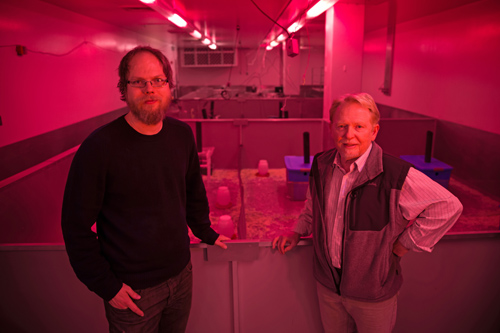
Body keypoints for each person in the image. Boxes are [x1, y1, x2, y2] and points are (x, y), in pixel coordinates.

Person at [62, 45, 229, 333]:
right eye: (139, 82)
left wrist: (205, 231)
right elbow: (74, 225)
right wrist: (108, 286)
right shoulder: (100, 147)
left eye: (157, 80)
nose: (149, 89)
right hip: (133, 290)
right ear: (124, 90)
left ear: (169, 86)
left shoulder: (181, 135)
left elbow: (192, 190)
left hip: (181, 275)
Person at [272, 93, 462, 332]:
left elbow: (447, 206)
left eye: (359, 127)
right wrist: (297, 232)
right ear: (332, 128)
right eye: (342, 126)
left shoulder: (395, 173)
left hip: (373, 294)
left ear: (374, 132)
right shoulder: (321, 164)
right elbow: (313, 208)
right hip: (328, 287)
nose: (348, 135)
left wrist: (403, 244)